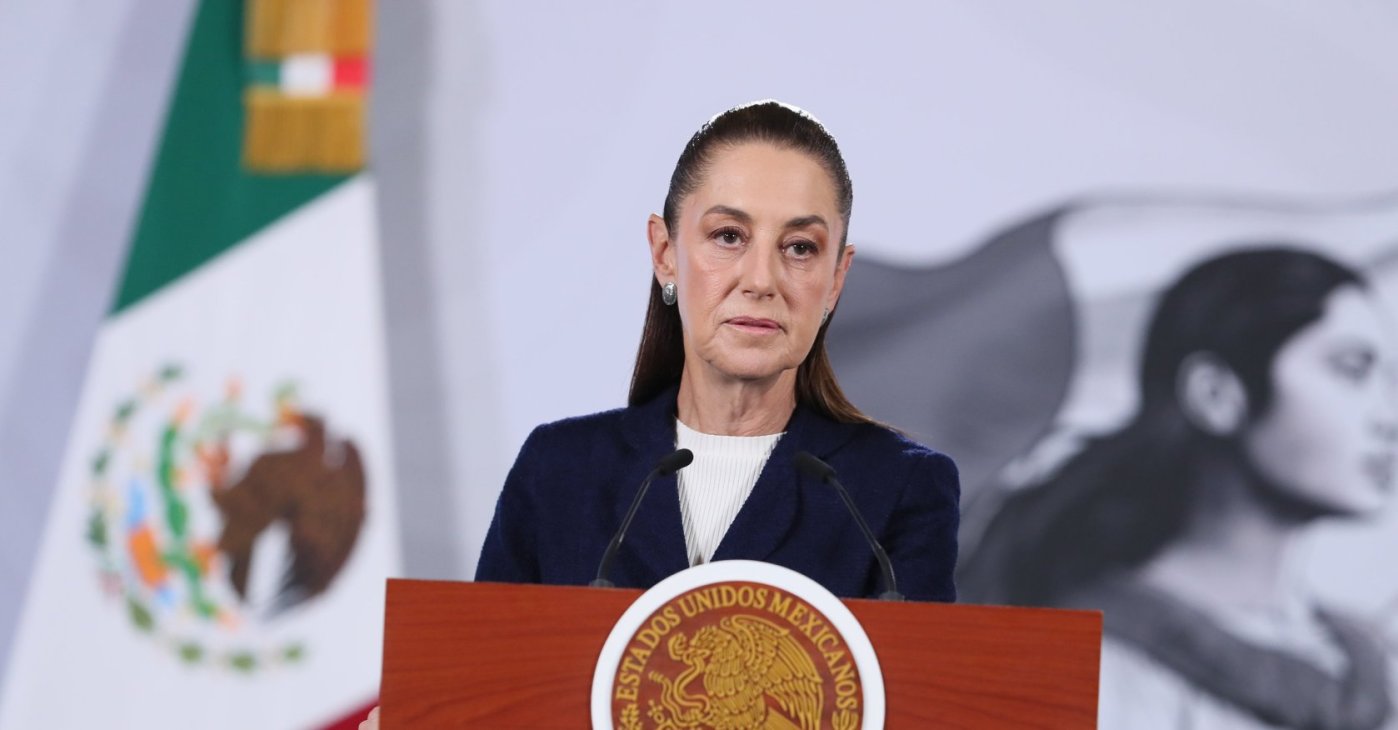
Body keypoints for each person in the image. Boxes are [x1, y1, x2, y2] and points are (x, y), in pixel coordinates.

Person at [473, 100, 960, 601]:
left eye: (799, 247)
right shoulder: (560, 471)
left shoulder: (900, 488)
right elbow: (480, 671)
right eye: (728, 236)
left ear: (836, 278)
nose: (761, 281)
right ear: (665, 254)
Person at [961, 247, 1398, 728]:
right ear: (1215, 394)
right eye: (1352, 370)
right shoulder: (1087, 669)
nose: (1389, 417)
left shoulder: (1365, 661)